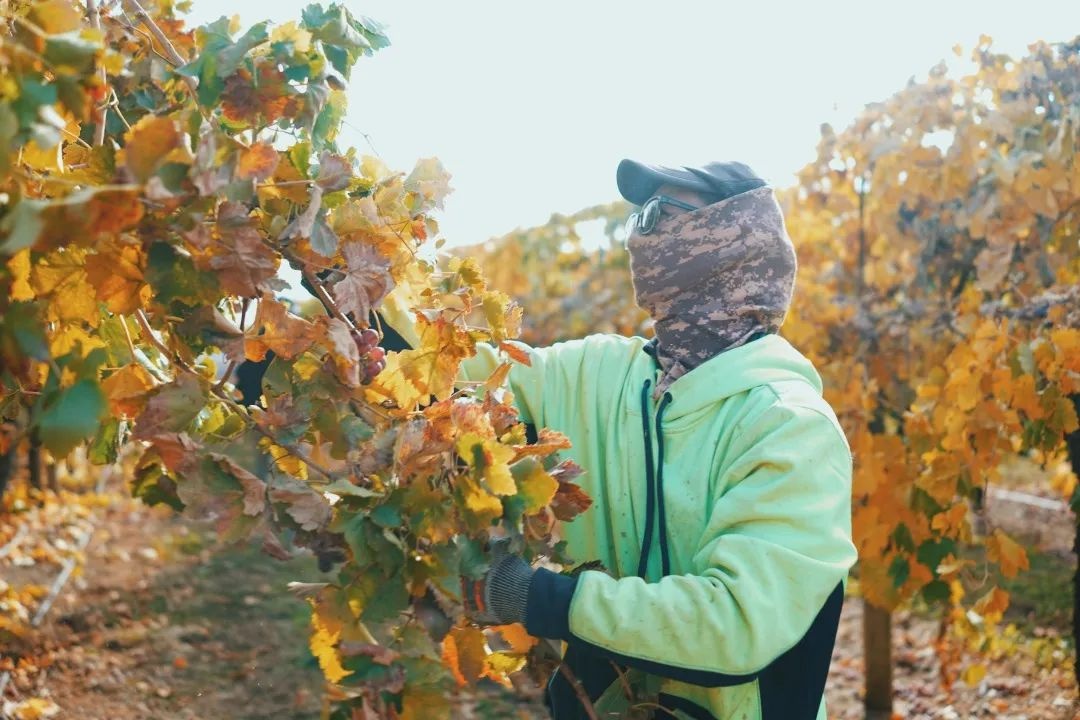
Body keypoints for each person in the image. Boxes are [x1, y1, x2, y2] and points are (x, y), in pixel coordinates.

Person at [383, 159, 856, 720]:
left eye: (660, 214)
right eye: (638, 216)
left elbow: (735, 627)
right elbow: (460, 375)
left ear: (733, 242)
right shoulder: (604, 374)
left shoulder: (789, 426)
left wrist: (541, 598)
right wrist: (367, 290)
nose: (641, 235)